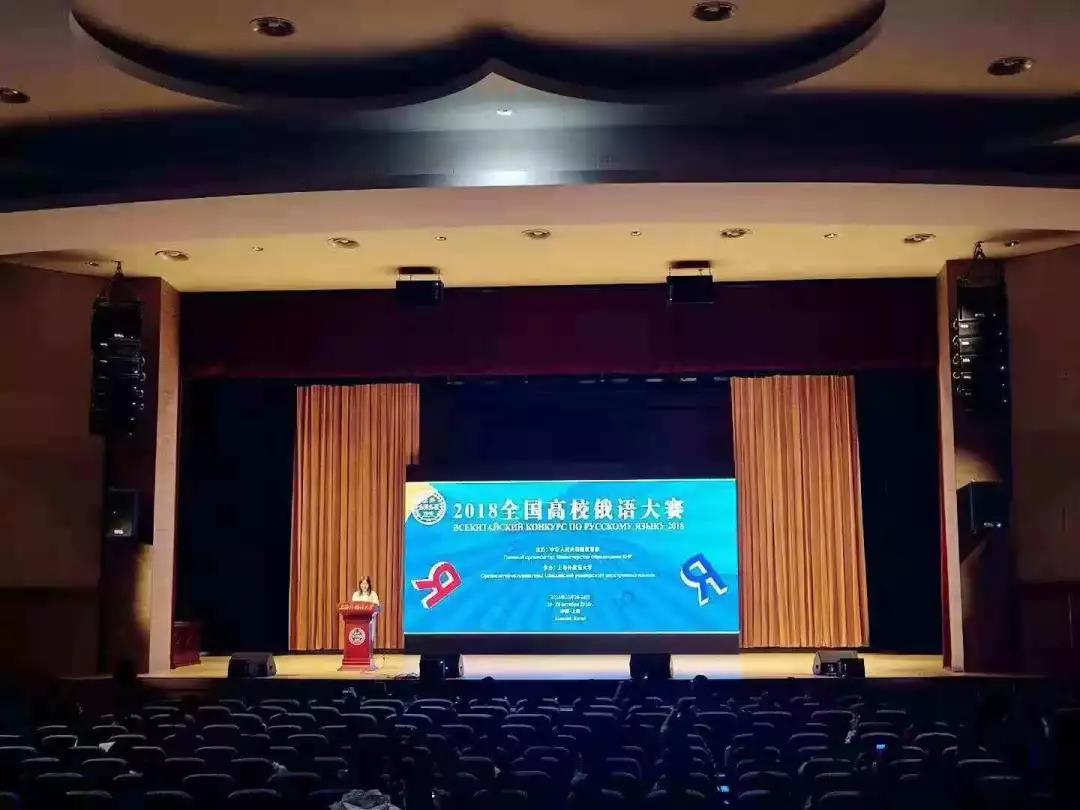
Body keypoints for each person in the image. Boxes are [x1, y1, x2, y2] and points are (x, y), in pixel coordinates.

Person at [351, 576, 381, 656]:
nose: (364, 586)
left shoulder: (373, 594)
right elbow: (353, 606)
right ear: (360, 585)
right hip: (358, 620)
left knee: (370, 636)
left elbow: (376, 606)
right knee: (359, 636)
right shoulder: (356, 594)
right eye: (362, 584)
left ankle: (369, 654)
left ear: (369, 584)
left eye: (366, 584)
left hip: (370, 619)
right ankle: (358, 653)